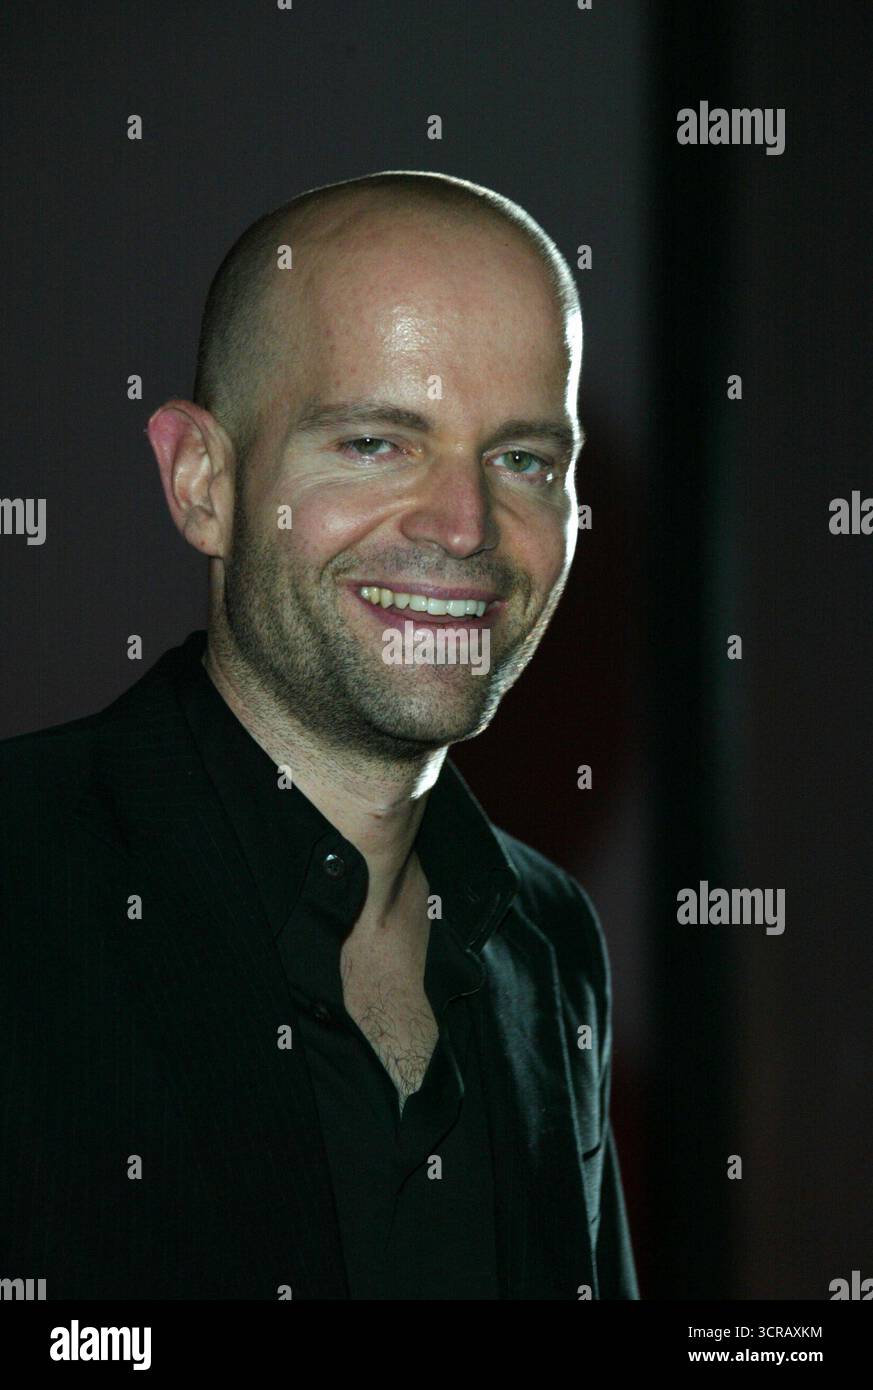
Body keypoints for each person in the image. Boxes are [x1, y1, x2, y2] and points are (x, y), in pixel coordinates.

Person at [0, 170, 638, 1300]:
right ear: (204, 482)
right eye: (377, 443)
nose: (466, 525)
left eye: (525, 459)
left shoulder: (549, 943)